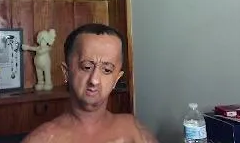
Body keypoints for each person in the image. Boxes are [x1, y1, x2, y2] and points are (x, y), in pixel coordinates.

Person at [22, 23, 158, 143]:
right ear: (66, 72)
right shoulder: (43, 139)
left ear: (116, 79)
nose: (94, 80)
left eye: (107, 70)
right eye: (86, 67)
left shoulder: (133, 130)